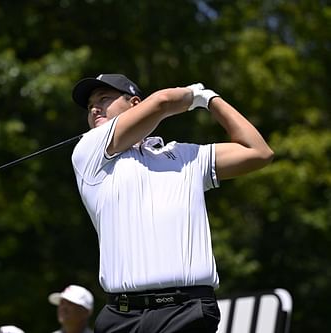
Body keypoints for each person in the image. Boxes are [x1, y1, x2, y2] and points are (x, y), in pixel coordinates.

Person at [70, 74, 274, 333]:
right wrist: (193, 96)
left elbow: (258, 153)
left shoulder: (185, 156)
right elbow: (163, 101)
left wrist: (211, 100)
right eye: (90, 106)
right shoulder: (88, 150)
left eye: (104, 99)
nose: (95, 108)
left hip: (185, 312)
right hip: (120, 317)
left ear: (134, 103)